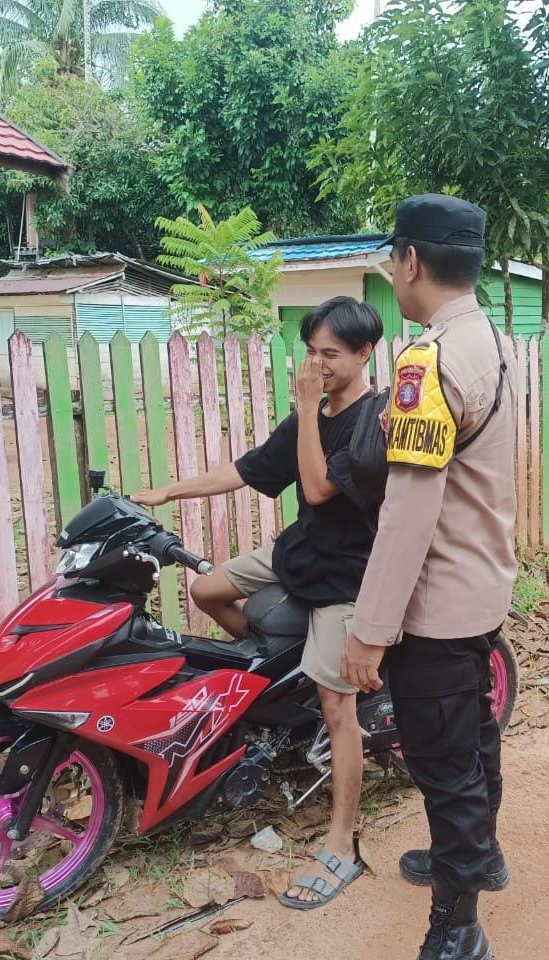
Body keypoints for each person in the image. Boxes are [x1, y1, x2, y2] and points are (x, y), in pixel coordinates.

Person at [132, 296, 383, 909]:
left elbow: (320, 489)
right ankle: (278, 677)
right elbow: (250, 470)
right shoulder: (313, 414)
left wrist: (303, 410)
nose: (316, 363)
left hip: (348, 575)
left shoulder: (374, 421)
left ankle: (342, 837)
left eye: (330, 353)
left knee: (336, 702)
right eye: (311, 351)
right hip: (301, 551)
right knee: (205, 588)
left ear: (364, 354)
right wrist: (170, 491)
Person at [340, 194, 518, 960]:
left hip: (435, 606)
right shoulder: (488, 339)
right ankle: (479, 858)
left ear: (411, 260)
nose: (393, 273)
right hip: (479, 586)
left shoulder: (430, 360)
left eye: (392, 260)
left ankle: (459, 924)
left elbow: (410, 513)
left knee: (444, 764)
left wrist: (368, 631)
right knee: (475, 742)